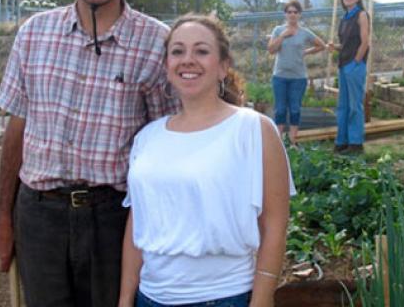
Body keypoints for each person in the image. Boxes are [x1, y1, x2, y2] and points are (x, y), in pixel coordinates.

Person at [0, 0, 178, 306]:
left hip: (115, 217)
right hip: (40, 214)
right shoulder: (33, 34)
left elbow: (169, 143)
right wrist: (4, 219)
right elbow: (16, 130)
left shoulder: (157, 42)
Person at [118, 15, 293, 307]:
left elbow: (275, 224)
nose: (188, 60)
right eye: (177, 51)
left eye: (201, 51)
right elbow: (138, 225)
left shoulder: (252, 129)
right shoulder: (147, 138)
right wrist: (126, 299)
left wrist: (262, 300)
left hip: (222, 297)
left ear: (223, 66)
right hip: (150, 297)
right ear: (166, 66)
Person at [267, 0, 325, 146]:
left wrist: (306, 52)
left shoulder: (304, 32)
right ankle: (279, 143)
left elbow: (321, 45)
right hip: (280, 76)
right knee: (280, 110)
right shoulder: (278, 30)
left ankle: (293, 142)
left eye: (295, 12)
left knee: (295, 110)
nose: (292, 15)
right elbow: (271, 50)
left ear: (299, 15)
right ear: (285, 14)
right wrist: (283, 36)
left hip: (298, 78)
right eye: (289, 12)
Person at [327, 0, 370, 153]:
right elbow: (346, 45)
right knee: (343, 106)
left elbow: (365, 41)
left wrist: (357, 61)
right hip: (343, 64)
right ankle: (342, 141)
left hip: (353, 66)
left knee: (354, 106)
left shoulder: (361, 15)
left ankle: (355, 143)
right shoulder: (345, 18)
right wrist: (335, 47)